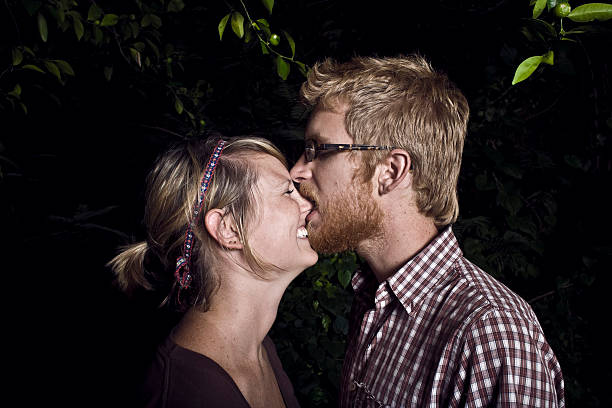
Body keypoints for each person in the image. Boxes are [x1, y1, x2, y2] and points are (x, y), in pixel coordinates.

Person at [290, 55, 565, 407]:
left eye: (319, 150)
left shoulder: (489, 334)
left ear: (390, 172)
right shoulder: (373, 299)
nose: (297, 170)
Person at [109, 136, 317, 408]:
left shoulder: (259, 348)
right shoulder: (186, 393)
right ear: (229, 229)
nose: (309, 205)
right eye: (287, 192)